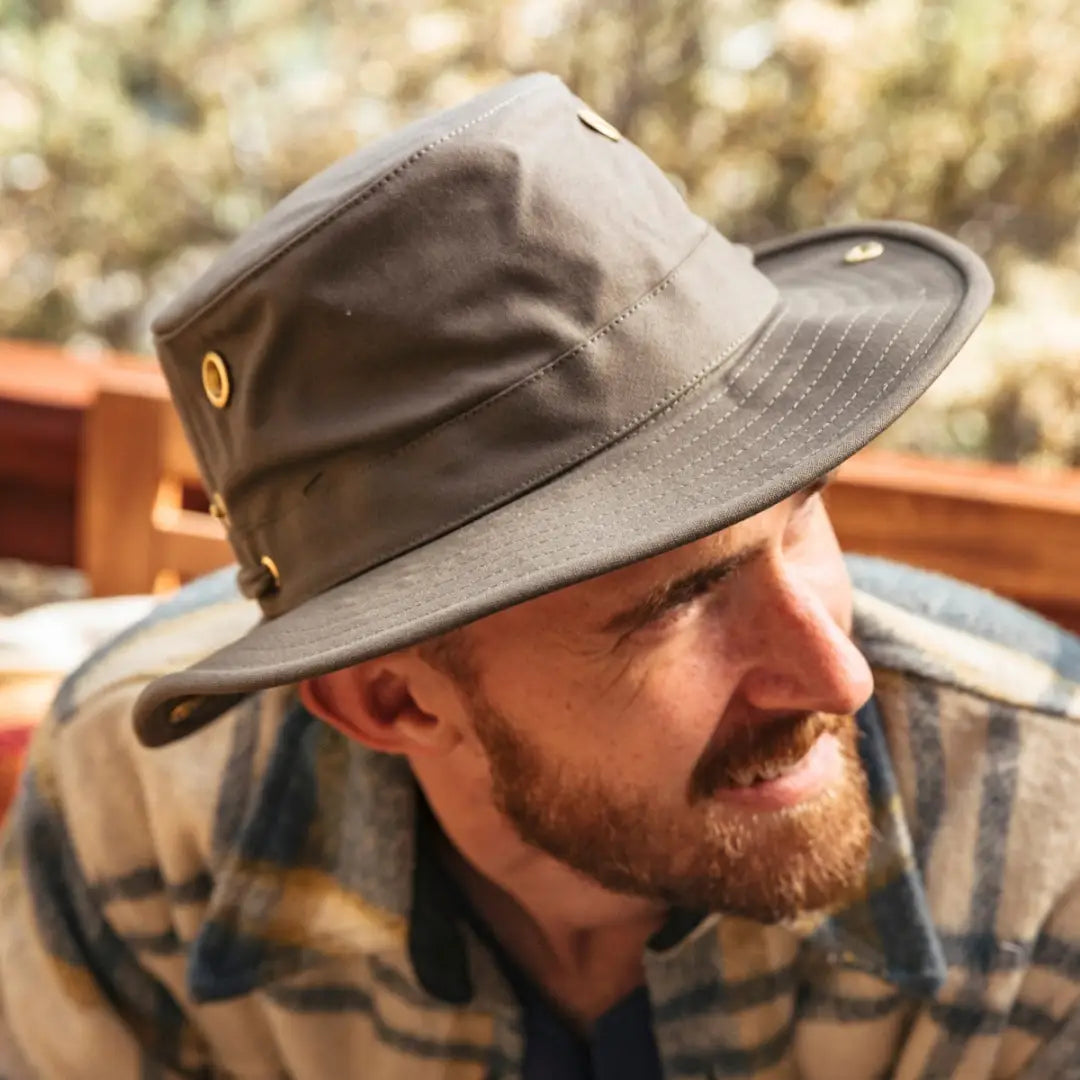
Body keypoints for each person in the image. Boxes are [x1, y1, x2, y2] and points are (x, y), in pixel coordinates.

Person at [1, 71, 1078, 1080]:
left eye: (801, 517)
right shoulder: (134, 818)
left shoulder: (1046, 851)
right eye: (678, 603)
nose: (835, 674)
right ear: (389, 698)